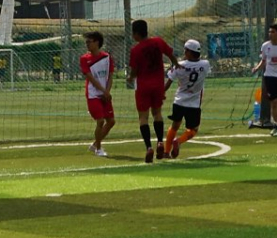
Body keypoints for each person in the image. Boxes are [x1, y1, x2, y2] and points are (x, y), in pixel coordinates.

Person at [127, 19, 179, 163]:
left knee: (143, 117)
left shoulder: (135, 50)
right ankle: (160, 142)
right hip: (158, 85)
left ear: (136, 34)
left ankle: (149, 147)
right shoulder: (158, 41)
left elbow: (135, 70)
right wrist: (176, 64)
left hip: (143, 86)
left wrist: (130, 78)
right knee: (157, 113)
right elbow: (170, 54)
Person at [163, 39, 211, 158]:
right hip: (194, 103)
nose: (184, 52)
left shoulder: (179, 66)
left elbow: (168, 83)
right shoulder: (205, 64)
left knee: (175, 125)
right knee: (193, 129)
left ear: (189, 52)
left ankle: (166, 151)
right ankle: (178, 141)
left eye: (186, 50)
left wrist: (161, 94)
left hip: (179, 100)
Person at [79, 32, 115, 157]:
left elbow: (110, 76)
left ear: (97, 42)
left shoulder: (107, 58)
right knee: (100, 121)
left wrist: (107, 91)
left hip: (105, 94)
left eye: (90, 41)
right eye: (86, 42)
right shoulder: (84, 59)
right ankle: (99, 149)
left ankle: (95, 144)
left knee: (111, 121)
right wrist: (103, 91)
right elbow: (91, 78)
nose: (87, 44)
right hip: (93, 94)